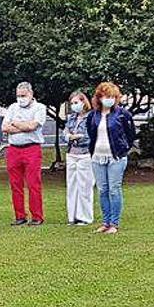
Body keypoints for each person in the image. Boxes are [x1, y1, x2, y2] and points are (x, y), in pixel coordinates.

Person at [86, 82, 136, 235]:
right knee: (102, 190)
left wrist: (123, 149)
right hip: (97, 157)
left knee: (114, 189)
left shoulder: (122, 114)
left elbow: (130, 134)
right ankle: (105, 222)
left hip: (116, 157)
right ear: (99, 98)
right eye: (106, 96)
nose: (109, 99)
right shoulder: (93, 115)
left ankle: (114, 223)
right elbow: (91, 133)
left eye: (112, 97)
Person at [2, 82, 47, 226]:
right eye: (18, 96)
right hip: (14, 148)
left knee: (34, 183)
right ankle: (19, 216)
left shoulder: (39, 108)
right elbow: (4, 127)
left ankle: (37, 216)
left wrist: (15, 123)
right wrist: (24, 126)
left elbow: (33, 126)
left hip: (32, 148)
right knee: (15, 184)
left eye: (23, 95)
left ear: (31, 94)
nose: (21, 98)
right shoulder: (12, 107)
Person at [63, 91, 94, 226]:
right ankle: (73, 216)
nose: (74, 105)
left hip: (85, 154)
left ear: (83, 102)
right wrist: (71, 136)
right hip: (71, 154)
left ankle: (85, 217)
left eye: (77, 102)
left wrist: (73, 136)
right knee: (71, 185)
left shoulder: (91, 117)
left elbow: (87, 137)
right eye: (72, 103)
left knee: (84, 186)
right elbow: (65, 134)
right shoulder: (71, 118)